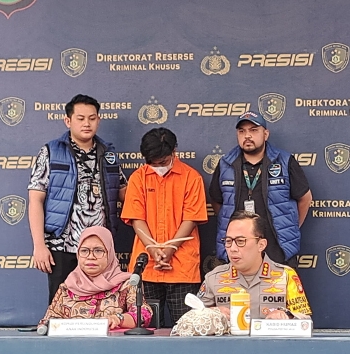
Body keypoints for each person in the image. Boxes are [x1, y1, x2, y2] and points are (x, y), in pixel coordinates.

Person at [28, 94, 127, 304]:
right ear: (68, 120)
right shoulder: (51, 152)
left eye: (92, 118)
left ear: (98, 120)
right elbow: (35, 199)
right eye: (80, 118)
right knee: (61, 307)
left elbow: (124, 192)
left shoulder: (108, 153)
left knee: (100, 306)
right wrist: (39, 245)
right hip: (62, 245)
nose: (86, 123)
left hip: (99, 248)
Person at [121, 127, 207, 324]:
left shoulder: (191, 177)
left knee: (185, 326)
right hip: (146, 265)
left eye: (163, 162)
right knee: (144, 327)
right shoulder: (138, 177)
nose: (158, 167)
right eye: (153, 163)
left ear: (174, 151)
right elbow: (135, 217)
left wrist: (170, 249)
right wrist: (153, 249)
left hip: (182, 267)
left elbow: (191, 218)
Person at [209, 111, 312, 267]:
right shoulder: (225, 164)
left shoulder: (284, 161)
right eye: (242, 131)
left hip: (277, 249)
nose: (247, 136)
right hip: (237, 251)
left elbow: (305, 198)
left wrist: (289, 226)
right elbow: (217, 202)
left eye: (254, 130)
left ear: (265, 134)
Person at [197, 211, 311, 319]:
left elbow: (305, 321)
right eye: (228, 241)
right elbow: (192, 319)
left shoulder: (285, 275)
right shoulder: (214, 278)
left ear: (261, 245)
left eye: (240, 241)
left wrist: (286, 315)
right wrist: (211, 313)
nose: (233, 248)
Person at [39, 226, 152, 329]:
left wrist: (118, 319)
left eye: (98, 251)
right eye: (84, 251)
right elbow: (48, 321)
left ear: (109, 253)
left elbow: (142, 314)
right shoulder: (67, 288)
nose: (91, 257)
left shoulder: (127, 284)